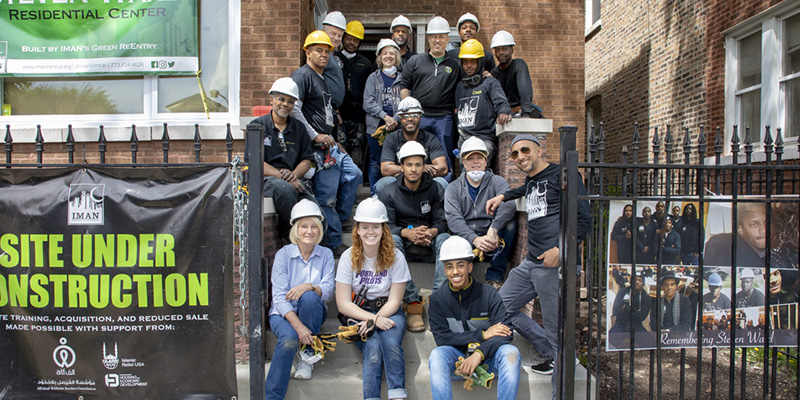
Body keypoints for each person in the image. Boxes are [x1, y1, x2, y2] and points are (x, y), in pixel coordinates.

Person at [486, 134, 590, 386]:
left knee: (557, 332)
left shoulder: (562, 175)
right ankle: (561, 355)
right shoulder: (532, 180)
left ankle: (560, 381)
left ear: (540, 150)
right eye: (515, 154)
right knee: (501, 309)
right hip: (530, 264)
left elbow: (584, 218)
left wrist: (561, 250)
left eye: (525, 150)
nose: (520, 157)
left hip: (553, 264)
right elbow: (526, 189)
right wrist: (503, 196)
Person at [292, 30, 363, 257]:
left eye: (326, 52)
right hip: (318, 149)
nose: (323, 55)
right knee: (327, 198)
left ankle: (342, 221)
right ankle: (333, 242)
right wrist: (315, 135)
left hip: (331, 144)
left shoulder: (321, 79)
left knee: (354, 175)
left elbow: (325, 113)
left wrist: (334, 138)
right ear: (307, 53)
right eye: (318, 51)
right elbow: (294, 109)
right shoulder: (302, 75)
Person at [335, 197, 410, 400]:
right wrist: (371, 320)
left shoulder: (396, 256)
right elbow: (342, 304)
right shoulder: (347, 257)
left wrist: (377, 318)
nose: (370, 232)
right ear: (357, 229)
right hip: (358, 313)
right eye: (365, 227)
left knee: (391, 344)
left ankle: (397, 394)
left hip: (389, 310)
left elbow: (395, 300)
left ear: (383, 229)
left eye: (375, 227)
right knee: (374, 347)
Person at [427, 236, 520, 400]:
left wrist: (479, 354)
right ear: (444, 269)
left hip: (488, 360)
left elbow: (506, 333)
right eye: (449, 267)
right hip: (457, 363)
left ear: (470, 267)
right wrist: (483, 334)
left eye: (460, 265)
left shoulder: (489, 294)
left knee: (511, 352)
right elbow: (442, 339)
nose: (455, 271)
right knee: (437, 355)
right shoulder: (437, 300)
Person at [265, 200, 335, 399]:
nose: (309, 231)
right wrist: (299, 328)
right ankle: (272, 396)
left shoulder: (326, 254)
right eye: (304, 226)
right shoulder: (283, 255)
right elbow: (279, 297)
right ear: (296, 229)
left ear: (320, 229)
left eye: (314, 226)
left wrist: (309, 286)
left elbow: (329, 291)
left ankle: (307, 357)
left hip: (312, 311)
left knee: (312, 297)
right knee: (288, 339)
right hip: (283, 314)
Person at [380, 141, 450, 331]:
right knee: (390, 241)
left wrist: (431, 232)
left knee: (447, 241)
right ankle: (412, 304)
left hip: (429, 241)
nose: (413, 169)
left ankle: (437, 301)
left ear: (424, 166)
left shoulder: (436, 188)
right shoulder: (389, 191)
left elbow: (442, 221)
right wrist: (407, 233)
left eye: (418, 165)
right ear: (401, 166)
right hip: (403, 246)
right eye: (409, 165)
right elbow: (387, 226)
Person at [444, 137, 516, 288]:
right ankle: (463, 282)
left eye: (479, 158)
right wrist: (474, 239)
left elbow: (508, 204)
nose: (475, 162)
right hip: (467, 238)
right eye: (470, 159)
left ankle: (495, 276)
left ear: (485, 161)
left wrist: (494, 229)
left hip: (493, 238)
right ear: (463, 162)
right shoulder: (454, 188)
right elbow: (454, 219)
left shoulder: (497, 181)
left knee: (510, 225)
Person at [248, 77, 316, 236]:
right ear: (271, 99)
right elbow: (254, 161)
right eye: (281, 99)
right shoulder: (257, 127)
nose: (286, 104)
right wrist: (282, 176)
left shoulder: (299, 128)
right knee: (285, 191)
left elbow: (307, 160)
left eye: (291, 101)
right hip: (266, 180)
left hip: (294, 179)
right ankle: (290, 235)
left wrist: (294, 175)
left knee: (317, 214)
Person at [400, 16, 460, 182]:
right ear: (428, 38)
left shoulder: (455, 65)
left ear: (448, 38)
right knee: (416, 154)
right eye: (434, 36)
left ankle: (445, 193)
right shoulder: (415, 61)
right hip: (421, 117)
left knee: (445, 157)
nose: (437, 40)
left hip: (445, 117)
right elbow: (404, 87)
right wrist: (408, 111)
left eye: (441, 36)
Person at [375, 96, 449, 195]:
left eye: (414, 115)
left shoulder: (430, 139)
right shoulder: (391, 139)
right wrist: (412, 169)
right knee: (383, 184)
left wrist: (420, 169)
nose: (410, 119)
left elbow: (443, 168)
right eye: (405, 116)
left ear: (420, 117)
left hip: (425, 181)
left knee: (441, 183)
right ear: (400, 118)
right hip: (400, 182)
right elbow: (385, 169)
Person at [454, 39, 512, 165]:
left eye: (473, 62)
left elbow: (501, 102)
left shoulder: (489, 83)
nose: (469, 66)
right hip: (464, 139)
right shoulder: (459, 87)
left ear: (479, 63)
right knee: (466, 176)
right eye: (466, 62)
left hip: (484, 139)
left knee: (479, 170)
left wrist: (503, 112)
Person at [364, 39, 403, 195]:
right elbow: (368, 102)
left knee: (395, 161)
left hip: (396, 128)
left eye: (392, 53)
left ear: (397, 56)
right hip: (376, 128)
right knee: (375, 162)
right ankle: (375, 194)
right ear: (379, 57)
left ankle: (393, 194)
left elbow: (406, 101)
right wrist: (385, 117)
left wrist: (395, 120)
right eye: (385, 53)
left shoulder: (403, 78)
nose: (388, 56)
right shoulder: (373, 78)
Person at [336, 20, 375, 170]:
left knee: (357, 149)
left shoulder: (365, 63)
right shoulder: (334, 59)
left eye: (355, 40)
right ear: (344, 38)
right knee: (339, 148)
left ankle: (356, 185)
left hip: (359, 113)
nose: (352, 42)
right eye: (349, 38)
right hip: (340, 113)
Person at [705, 203, 767, 267]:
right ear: (740, 229)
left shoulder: (775, 254)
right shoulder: (720, 246)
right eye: (754, 225)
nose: (763, 230)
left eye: (767, 223)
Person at [489, 31, 535, 118]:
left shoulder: (518, 65)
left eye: (504, 49)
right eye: (497, 50)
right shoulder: (494, 73)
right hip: (501, 117)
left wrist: (526, 114)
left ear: (512, 50)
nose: (501, 52)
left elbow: (525, 92)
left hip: (519, 113)